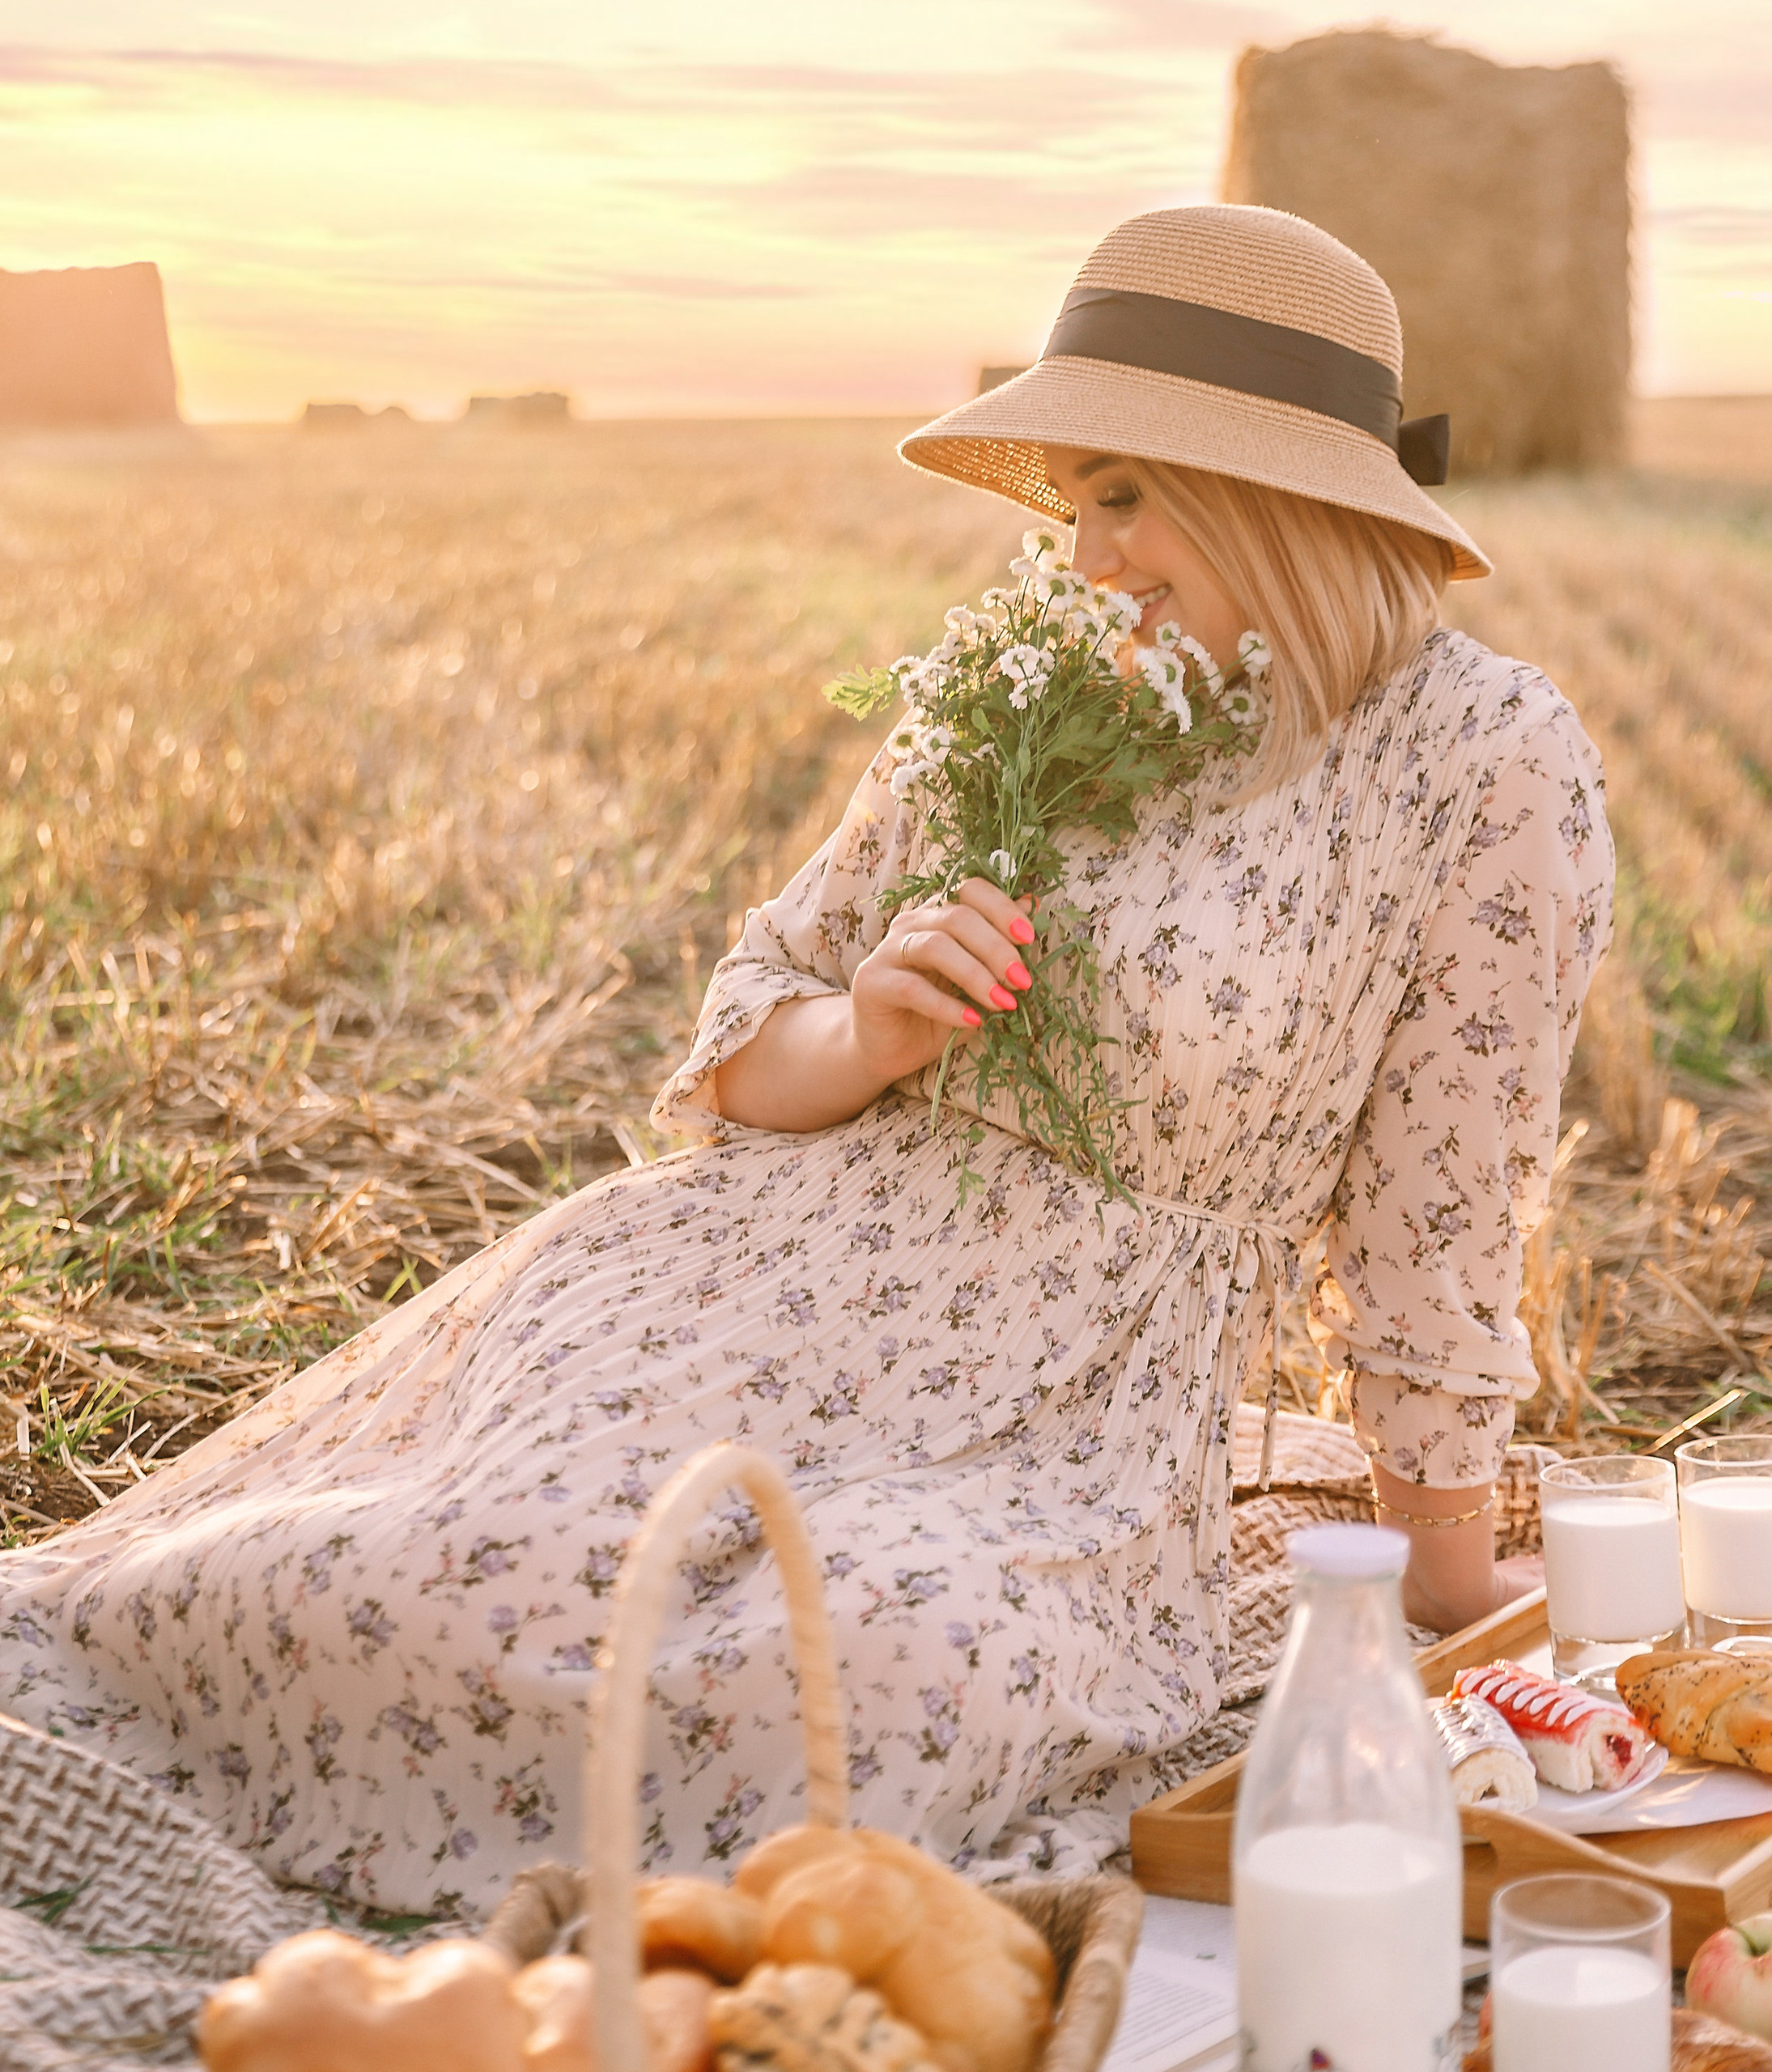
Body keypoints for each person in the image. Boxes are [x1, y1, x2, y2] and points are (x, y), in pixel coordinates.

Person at [0, 205, 1611, 1913]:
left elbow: (1437, 1208)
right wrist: (873, 1024)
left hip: (1070, 1419)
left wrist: (1440, 1577)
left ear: (1265, 488)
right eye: (1075, 504)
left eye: (1121, 493)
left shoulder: (1483, 758)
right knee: (429, 1584)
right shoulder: (1032, 678)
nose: (1081, 556)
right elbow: (753, 1024)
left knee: (868, 1687)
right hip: (761, 1279)